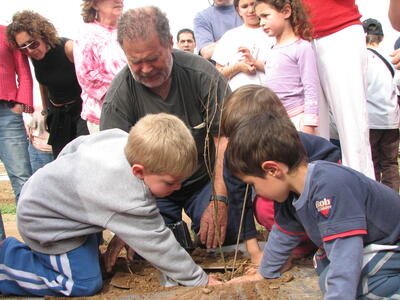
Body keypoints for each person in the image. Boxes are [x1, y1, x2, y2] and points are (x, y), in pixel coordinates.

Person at [0, 113, 222, 297]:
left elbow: (75, 146)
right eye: (171, 182)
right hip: (46, 223)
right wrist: (198, 279)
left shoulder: (121, 140)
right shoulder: (129, 193)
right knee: (84, 283)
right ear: (138, 171)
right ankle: (7, 264)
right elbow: (158, 243)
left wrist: (65, 186)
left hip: (55, 201)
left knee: (93, 263)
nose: (178, 187)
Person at [100, 6, 257, 249]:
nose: (146, 69)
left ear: (169, 43)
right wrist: (130, 224)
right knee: (152, 251)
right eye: (136, 62)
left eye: (153, 59)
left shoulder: (202, 75)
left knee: (226, 239)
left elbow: (226, 139)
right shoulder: (120, 95)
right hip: (152, 191)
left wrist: (219, 199)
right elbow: (114, 163)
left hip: (204, 180)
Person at [225, 112, 400, 299]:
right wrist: (263, 274)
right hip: (370, 246)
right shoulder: (291, 194)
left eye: (253, 184)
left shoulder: (330, 186)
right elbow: (282, 235)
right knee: (327, 272)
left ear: (273, 169)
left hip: (391, 244)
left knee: (351, 285)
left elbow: (345, 253)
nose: (256, 191)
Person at [220, 85, 340, 265]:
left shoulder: (299, 147)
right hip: (286, 200)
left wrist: (280, 256)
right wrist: (254, 252)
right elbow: (239, 201)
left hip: (317, 199)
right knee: (264, 204)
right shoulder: (234, 155)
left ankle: (311, 242)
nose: (236, 145)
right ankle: (294, 243)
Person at [301, 0, 375, 178]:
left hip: (338, 28)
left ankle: (361, 196)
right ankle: (318, 194)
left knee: (352, 125)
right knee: (312, 126)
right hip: (300, 33)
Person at [7, 10, 89, 158]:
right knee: (61, 162)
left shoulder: (69, 48)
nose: (30, 50)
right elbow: (44, 84)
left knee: (83, 158)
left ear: (43, 34)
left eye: (33, 43)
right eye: (23, 47)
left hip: (80, 112)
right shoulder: (34, 56)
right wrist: (46, 112)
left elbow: (90, 82)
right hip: (57, 115)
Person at [255, 0, 319, 135]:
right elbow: (277, 70)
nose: (261, 23)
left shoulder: (302, 47)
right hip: (275, 120)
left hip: (297, 119)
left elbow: (311, 87)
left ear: (286, 12)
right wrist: (254, 63)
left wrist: (309, 123)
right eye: (259, 18)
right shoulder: (272, 48)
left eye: (266, 16)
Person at [0, 24, 34, 240]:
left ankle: (36, 244)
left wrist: (22, 102)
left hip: (6, 112)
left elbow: (23, 70)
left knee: (22, 179)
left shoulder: (6, 32)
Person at [74, 0, 127, 134]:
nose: (118, 1)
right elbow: (87, 77)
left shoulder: (131, 30)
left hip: (135, 114)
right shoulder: (86, 33)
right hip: (102, 117)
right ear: (95, 4)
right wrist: (128, 91)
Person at [363, 18, 400, 192]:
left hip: (370, 120)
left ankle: (377, 202)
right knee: (390, 163)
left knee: (373, 162)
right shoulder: (392, 58)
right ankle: (394, 200)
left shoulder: (360, 61)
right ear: (382, 37)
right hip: (391, 119)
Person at [212, 0, 274, 91]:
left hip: (272, 97)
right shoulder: (229, 36)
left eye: (253, 4)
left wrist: (256, 64)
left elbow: (285, 69)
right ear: (238, 10)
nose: (250, 10)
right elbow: (216, 75)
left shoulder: (274, 33)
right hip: (238, 99)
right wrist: (238, 67)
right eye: (244, 6)